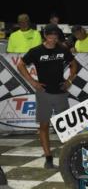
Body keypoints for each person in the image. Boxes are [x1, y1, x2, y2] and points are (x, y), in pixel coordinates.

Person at [17, 24, 78, 169]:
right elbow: (20, 64)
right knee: (44, 126)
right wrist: (32, 82)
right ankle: (48, 157)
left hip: (60, 93)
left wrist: (69, 80)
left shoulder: (62, 49)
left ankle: (70, 156)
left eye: (55, 36)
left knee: (66, 127)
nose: (53, 38)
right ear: (45, 36)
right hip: (44, 93)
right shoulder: (36, 51)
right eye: (50, 35)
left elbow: (74, 64)